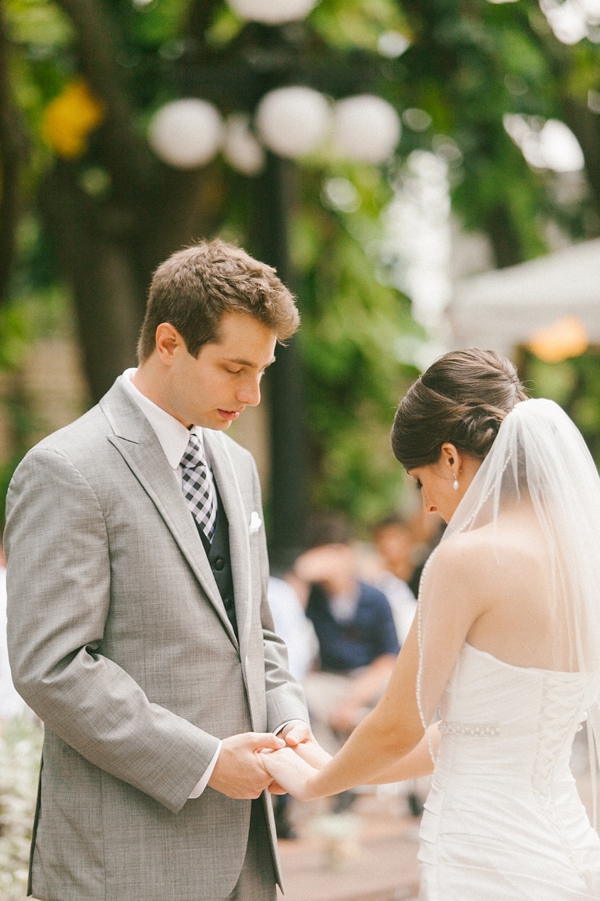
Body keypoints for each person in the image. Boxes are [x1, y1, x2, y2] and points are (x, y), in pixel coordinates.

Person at [4, 239, 318, 901]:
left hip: (248, 859)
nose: (253, 393)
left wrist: (290, 720)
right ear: (170, 342)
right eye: (235, 367)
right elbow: (51, 665)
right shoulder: (66, 469)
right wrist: (204, 762)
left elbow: (256, 636)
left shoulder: (236, 466)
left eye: (261, 369)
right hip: (124, 864)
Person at [261, 349, 600, 900]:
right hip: (563, 851)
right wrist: (334, 763)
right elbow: (466, 735)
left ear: (449, 457)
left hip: (486, 855)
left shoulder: (465, 560)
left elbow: (400, 724)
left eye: (420, 480)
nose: (426, 506)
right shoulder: (581, 557)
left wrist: (314, 783)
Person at [371, 514, 417, 645]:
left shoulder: (425, 572)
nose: (389, 544)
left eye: (394, 537)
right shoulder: (376, 582)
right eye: (383, 538)